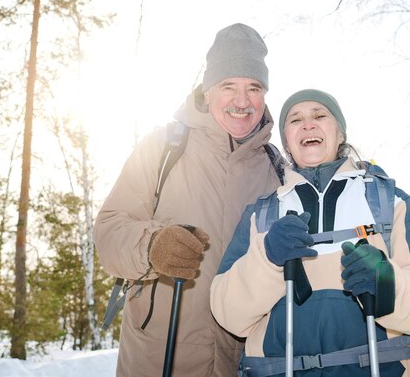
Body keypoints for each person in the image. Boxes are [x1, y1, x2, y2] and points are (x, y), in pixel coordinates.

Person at [210, 89, 410, 377]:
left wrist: (388, 287)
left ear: (340, 133)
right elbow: (228, 314)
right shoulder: (262, 214)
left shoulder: (387, 201)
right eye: (295, 120)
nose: (308, 124)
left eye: (320, 115)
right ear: (287, 145)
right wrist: (267, 261)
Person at [93, 23, 284, 377]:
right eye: (229, 86)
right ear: (208, 91)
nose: (242, 102)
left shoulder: (278, 169)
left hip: (246, 362)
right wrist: (152, 246)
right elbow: (108, 232)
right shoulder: (164, 147)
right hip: (159, 358)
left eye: (253, 88)